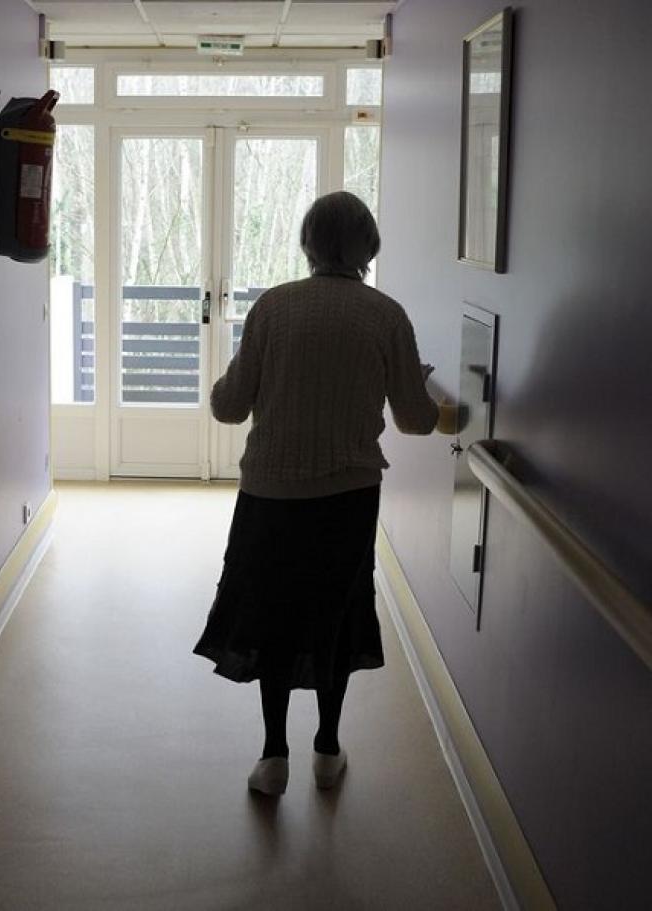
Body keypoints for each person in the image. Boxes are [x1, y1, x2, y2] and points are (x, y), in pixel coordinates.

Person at [192, 190, 455, 796]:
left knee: (274, 616)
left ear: (308, 243)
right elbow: (416, 421)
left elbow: (229, 408)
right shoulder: (386, 315)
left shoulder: (273, 308)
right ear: (369, 247)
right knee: (335, 615)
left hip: (270, 495)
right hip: (348, 498)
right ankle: (328, 749)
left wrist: (240, 376)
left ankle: (273, 757)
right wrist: (414, 382)